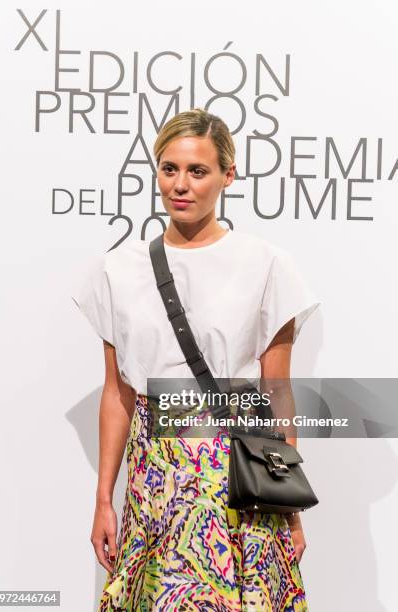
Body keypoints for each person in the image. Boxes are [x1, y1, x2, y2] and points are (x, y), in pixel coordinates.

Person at [71, 108, 320, 611]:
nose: (180, 185)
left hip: (235, 486)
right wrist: (103, 499)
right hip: (154, 487)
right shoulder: (118, 270)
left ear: (229, 175)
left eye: (198, 171)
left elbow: (276, 392)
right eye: (169, 169)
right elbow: (118, 394)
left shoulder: (268, 265)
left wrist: (289, 502)